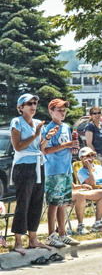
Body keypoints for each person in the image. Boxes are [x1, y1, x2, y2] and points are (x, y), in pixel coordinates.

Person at [9, 93, 50, 254]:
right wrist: (35, 134)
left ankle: (33, 239)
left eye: (35, 103)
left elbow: (40, 147)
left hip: (37, 165)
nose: (33, 106)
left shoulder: (38, 123)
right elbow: (18, 146)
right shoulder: (17, 122)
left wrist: (46, 137)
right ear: (21, 107)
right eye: (29, 104)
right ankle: (18, 241)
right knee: (23, 203)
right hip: (23, 166)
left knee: (37, 202)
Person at [40, 98, 80, 247]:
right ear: (51, 111)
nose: (62, 113)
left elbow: (68, 146)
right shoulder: (48, 129)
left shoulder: (66, 127)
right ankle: (51, 235)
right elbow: (46, 150)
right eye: (59, 110)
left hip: (66, 169)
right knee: (54, 203)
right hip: (54, 170)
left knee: (63, 203)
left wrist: (72, 148)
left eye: (64, 110)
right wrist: (66, 145)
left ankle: (62, 233)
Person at [85, 106, 102, 170]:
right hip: (97, 155)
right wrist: (95, 155)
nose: (97, 115)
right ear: (91, 115)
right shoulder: (90, 126)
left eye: (99, 113)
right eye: (94, 113)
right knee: (98, 176)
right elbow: (89, 143)